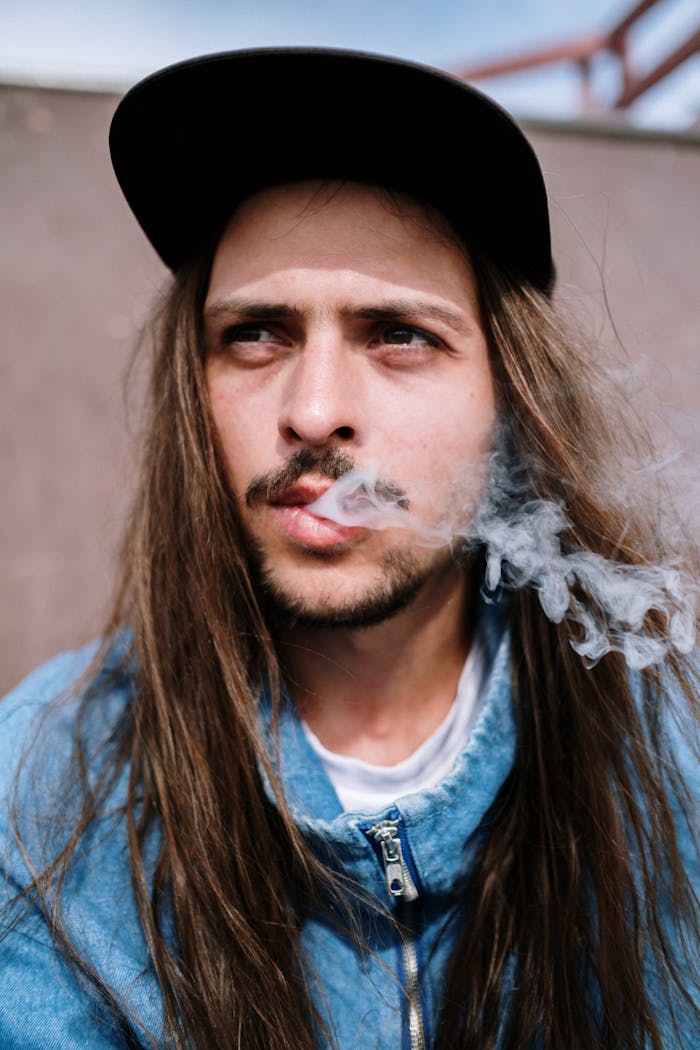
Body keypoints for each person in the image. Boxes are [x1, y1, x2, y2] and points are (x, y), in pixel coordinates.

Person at [0, 47, 698, 1050]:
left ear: (507, 402)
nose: (314, 412)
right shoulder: (39, 799)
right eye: (255, 334)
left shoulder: (672, 755)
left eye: (398, 334)